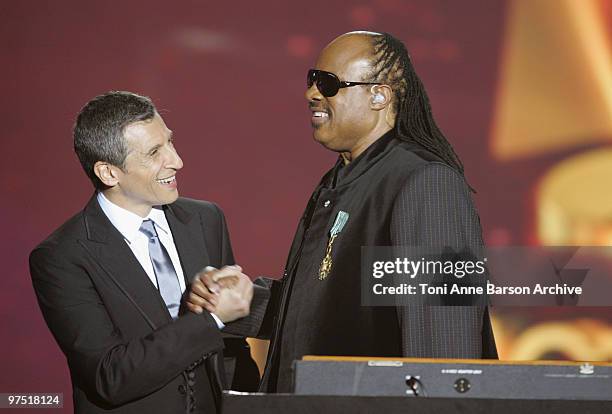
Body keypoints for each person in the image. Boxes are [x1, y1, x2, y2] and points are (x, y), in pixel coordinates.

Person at [188, 31, 497, 393]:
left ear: (379, 95)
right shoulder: (342, 181)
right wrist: (240, 303)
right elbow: (332, 310)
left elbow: (444, 353)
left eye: (329, 83)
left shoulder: (426, 184)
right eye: (312, 80)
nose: (311, 93)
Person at [29, 91, 254, 413]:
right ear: (109, 172)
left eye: (170, 143)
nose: (177, 161)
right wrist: (213, 318)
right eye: (154, 153)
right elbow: (111, 376)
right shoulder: (62, 257)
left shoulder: (205, 220)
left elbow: (231, 346)